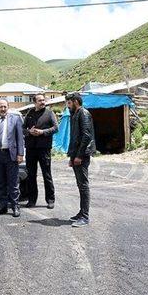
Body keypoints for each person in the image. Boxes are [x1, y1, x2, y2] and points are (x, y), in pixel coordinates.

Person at [0, 98, 24, 217]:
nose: (3, 109)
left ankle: (15, 206)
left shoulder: (15, 120)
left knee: (13, 182)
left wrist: (20, 154)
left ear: (8, 107)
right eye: (0, 107)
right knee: (0, 182)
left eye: (5, 107)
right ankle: (2, 206)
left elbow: (20, 138)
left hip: (11, 155)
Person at [23, 93, 58, 209]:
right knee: (31, 175)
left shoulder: (49, 113)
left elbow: (55, 128)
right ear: (34, 102)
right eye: (40, 100)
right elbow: (22, 129)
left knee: (46, 174)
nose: (43, 102)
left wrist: (43, 132)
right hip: (31, 149)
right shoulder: (29, 113)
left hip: (44, 148)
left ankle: (50, 200)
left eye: (43, 100)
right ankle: (32, 200)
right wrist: (29, 132)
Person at [66, 93, 95, 228]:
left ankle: (85, 216)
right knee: (80, 185)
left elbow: (86, 136)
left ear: (76, 101)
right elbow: (74, 138)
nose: (68, 105)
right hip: (76, 155)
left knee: (83, 186)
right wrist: (71, 157)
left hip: (82, 156)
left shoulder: (83, 113)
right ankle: (81, 212)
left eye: (69, 103)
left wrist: (79, 156)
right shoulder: (75, 114)